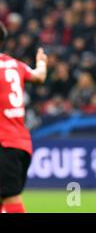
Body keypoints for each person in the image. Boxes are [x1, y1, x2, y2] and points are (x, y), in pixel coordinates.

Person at [0, 22, 48, 213]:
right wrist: (42, 62)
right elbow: (39, 76)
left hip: (4, 144)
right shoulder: (14, 64)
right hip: (20, 144)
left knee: (11, 199)